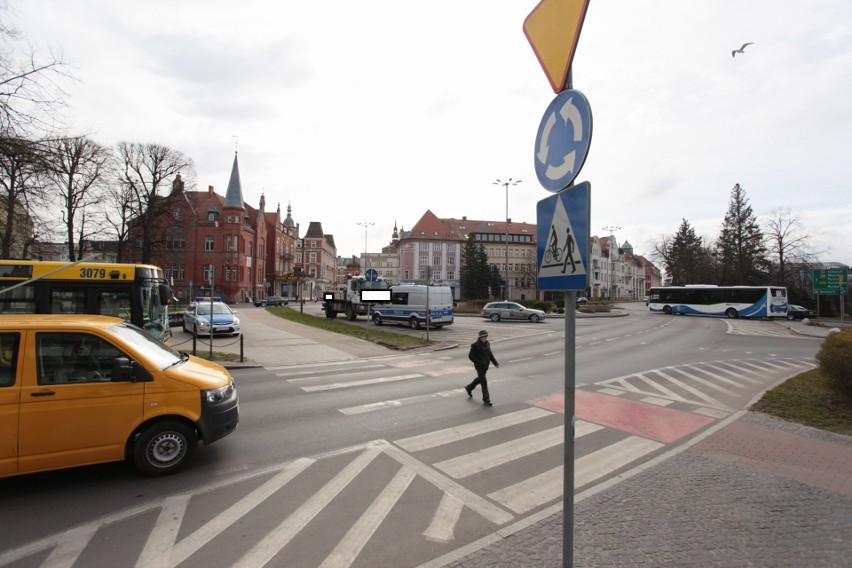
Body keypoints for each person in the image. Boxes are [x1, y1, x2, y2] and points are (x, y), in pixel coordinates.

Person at [465, 329, 499, 407]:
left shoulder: (487, 343)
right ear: (480, 337)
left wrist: (495, 362)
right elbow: (471, 356)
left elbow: (490, 354)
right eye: (483, 337)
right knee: (484, 383)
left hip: (486, 366)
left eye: (486, 336)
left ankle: (469, 388)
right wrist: (479, 362)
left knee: (480, 379)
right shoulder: (475, 345)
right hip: (479, 367)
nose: (485, 338)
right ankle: (486, 399)